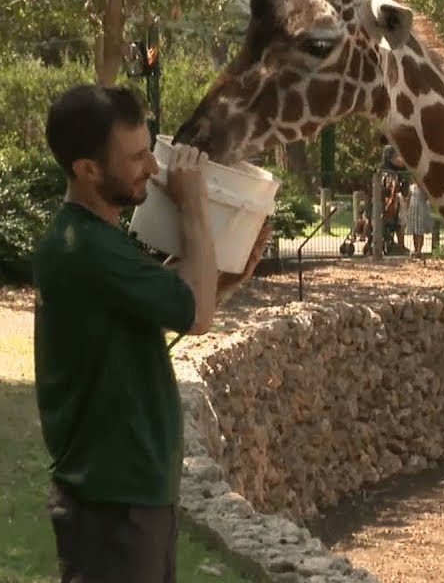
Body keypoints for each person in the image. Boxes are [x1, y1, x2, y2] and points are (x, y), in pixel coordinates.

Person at [32, 84, 269, 583]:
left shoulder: (96, 243)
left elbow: (183, 304)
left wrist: (229, 277)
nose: (155, 168)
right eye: (137, 156)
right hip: (112, 503)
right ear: (87, 169)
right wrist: (195, 208)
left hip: (127, 497)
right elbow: (196, 316)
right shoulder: (85, 248)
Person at [404, 181, 433, 255]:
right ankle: (415, 248)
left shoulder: (424, 186)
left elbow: (427, 197)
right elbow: (408, 198)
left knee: (420, 231)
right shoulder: (411, 187)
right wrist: (407, 209)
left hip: (421, 210)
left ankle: (419, 250)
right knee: (414, 231)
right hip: (413, 211)